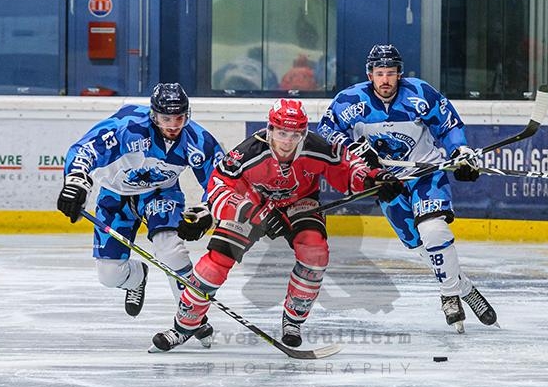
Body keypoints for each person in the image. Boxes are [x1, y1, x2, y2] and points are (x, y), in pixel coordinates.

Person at [151, 99, 401, 351]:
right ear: (270, 129)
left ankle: (293, 321)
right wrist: (251, 211)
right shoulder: (248, 152)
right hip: (252, 204)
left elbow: (348, 168)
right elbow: (218, 187)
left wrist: (373, 179)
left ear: (304, 133)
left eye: (295, 135)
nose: (287, 142)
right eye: (282, 133)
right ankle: (184, 326)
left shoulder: (316, 147)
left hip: (299, 202)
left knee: (315, 253)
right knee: (215, 263)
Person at [316, 44, 497, 333]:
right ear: (369, 75)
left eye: (390, 73)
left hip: (426, 174)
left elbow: (448, 126)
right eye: (379, 73)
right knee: (419, 244)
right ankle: (463, 288)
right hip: (386, 182)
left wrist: (460, 152)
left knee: (433, 230)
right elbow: (326, 130)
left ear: (399, 73)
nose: (385, 79)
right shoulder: (350, 101)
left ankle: (449, 295)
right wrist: (354, 148)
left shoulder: (420, 93)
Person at [56, 82, 223, 346]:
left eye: (179, 118)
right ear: (154, 115)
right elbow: (84, 150)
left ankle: (191, 315)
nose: (173, 125)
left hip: (160, 193)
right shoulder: (127, 126)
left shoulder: (196, 139)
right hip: (114, 196)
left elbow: (221, 179)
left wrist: (208, 210)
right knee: (109, 275)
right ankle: (137, 277)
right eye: (166, 118)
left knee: (170, 249)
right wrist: (76, 181)